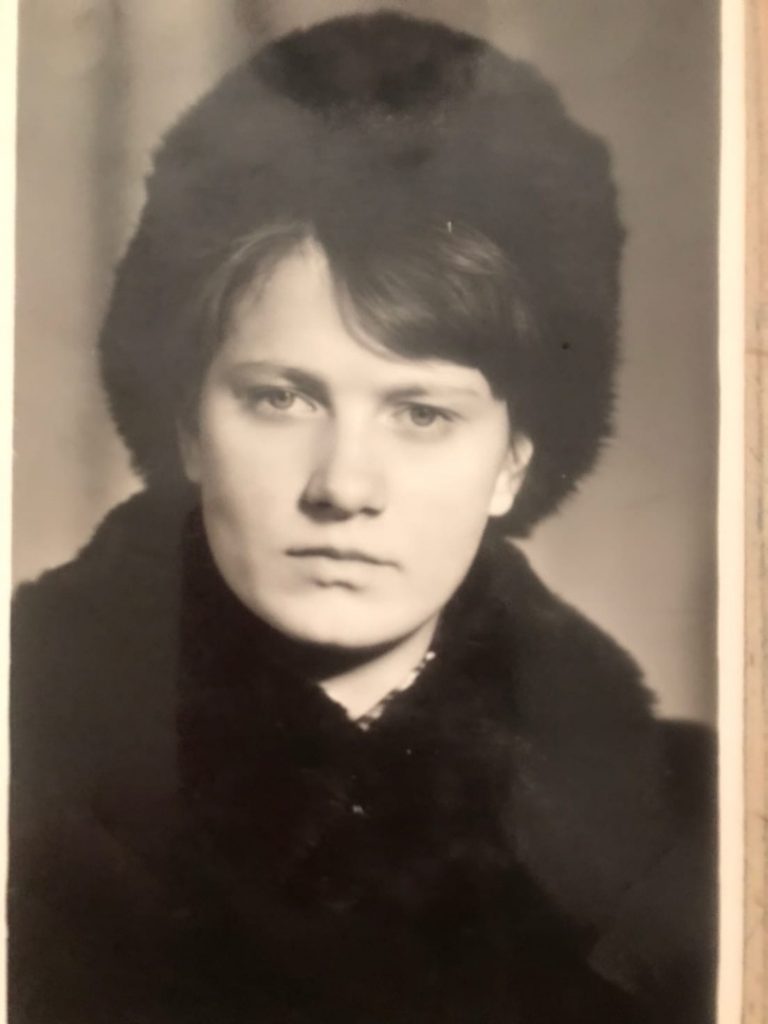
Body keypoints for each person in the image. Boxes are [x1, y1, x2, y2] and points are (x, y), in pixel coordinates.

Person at [9, 11, 715, 1023]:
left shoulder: (687, 831)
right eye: (281, 398)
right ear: (191, 430)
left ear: (514, 463)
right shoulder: (26, 754)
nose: (344, 485)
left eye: (422, 414)